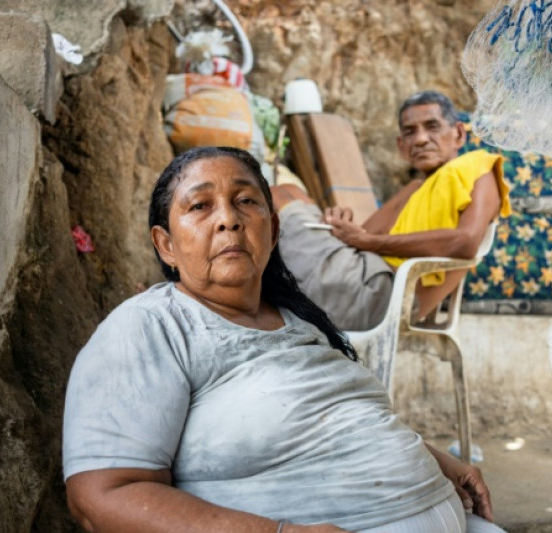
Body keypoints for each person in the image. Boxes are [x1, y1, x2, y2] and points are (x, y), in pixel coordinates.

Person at [62, 146, 505, 533]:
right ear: (166, 245)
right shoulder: (150, 327)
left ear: (273, 231)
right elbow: (100, 497)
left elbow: (338, 420)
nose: (229, 220)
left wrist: (432, 457)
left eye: (245, 201)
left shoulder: (300, 322)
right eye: (200, 206)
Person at [272, 91, 511, 331]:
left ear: (458, 134)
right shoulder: (416, 188)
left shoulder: (479, 166)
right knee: (289, 190)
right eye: (410, 132)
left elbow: (466, 242)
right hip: (366, 275)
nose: (420, 139)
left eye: (432, 127)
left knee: (273, 196)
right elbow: (360, 239)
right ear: (401, 146)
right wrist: (340, 223)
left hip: (384, 297)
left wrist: (370, 242)